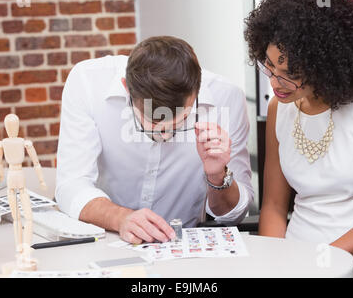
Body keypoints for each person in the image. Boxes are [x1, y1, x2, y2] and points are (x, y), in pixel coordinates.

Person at [244, 0, 353, 275]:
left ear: (325, 67)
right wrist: (273, 267)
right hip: (294, 261)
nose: (274, 83)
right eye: (269, 66)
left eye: (289, 74)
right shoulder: (279, 108)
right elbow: (275, 207)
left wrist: (322, 262)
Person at [56, 36, 253, 244]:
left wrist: (217, 176)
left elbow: (234, 215)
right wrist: (121, 218)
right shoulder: (88, 82)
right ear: (126, 88)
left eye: (180, 121)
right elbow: (71, 186)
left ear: (196, 92)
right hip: (107, 240)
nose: (165, 135)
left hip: (181, 248)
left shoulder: (227, 98)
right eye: (150, 123)